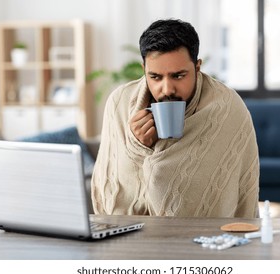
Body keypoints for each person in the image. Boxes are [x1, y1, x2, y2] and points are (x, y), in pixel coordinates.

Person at [91, 19, 259, 218]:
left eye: (178, 76)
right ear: (143, 68)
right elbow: (111, 197)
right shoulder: (119, 103)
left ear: (197, 67)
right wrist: (139, 147)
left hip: (206, 242)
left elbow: (211, 200)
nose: (167, 89)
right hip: (129, 239)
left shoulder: (228, 107)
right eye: (155, 77)